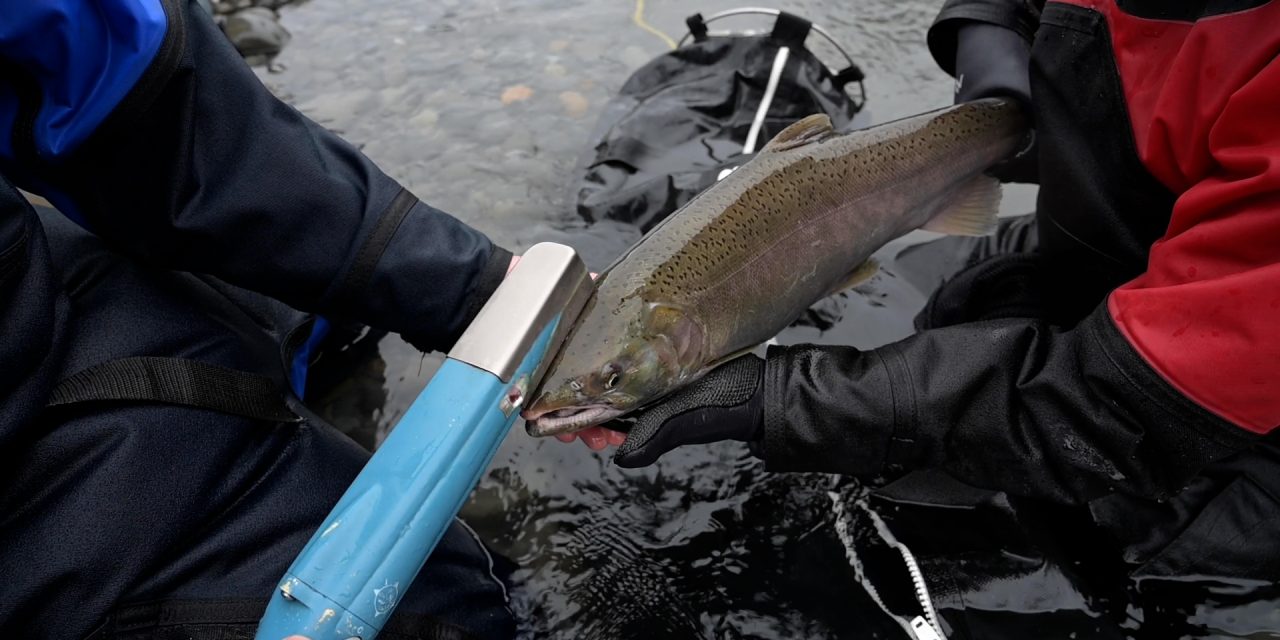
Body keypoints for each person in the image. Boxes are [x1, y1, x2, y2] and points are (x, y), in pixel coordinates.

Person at [566, 0, 1280, 634]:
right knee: (958, 310)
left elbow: (1114, 407)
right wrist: (994, 23)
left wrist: (785, 400)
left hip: (1216, 418)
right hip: (1118, 251)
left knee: (1108, 556)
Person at [1, 1, 520, 638]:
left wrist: (472, 286)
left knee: (312, 311)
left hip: (35, 305)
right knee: (440, 607)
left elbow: (118, 87)